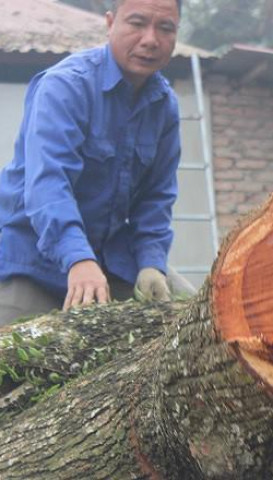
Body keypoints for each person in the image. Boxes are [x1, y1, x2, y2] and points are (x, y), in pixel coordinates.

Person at [0, 0, 195, 325]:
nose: (150, 40)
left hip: (113, 258)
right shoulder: (64, 86)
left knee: (200, 320)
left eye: (165, 28)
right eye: (137, 23)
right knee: (11, 362)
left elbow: (156, 198)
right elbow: (48, 187)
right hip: (32, 258)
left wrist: (151, 263)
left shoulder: (164, 105)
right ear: (110, 22)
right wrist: (78, 259)